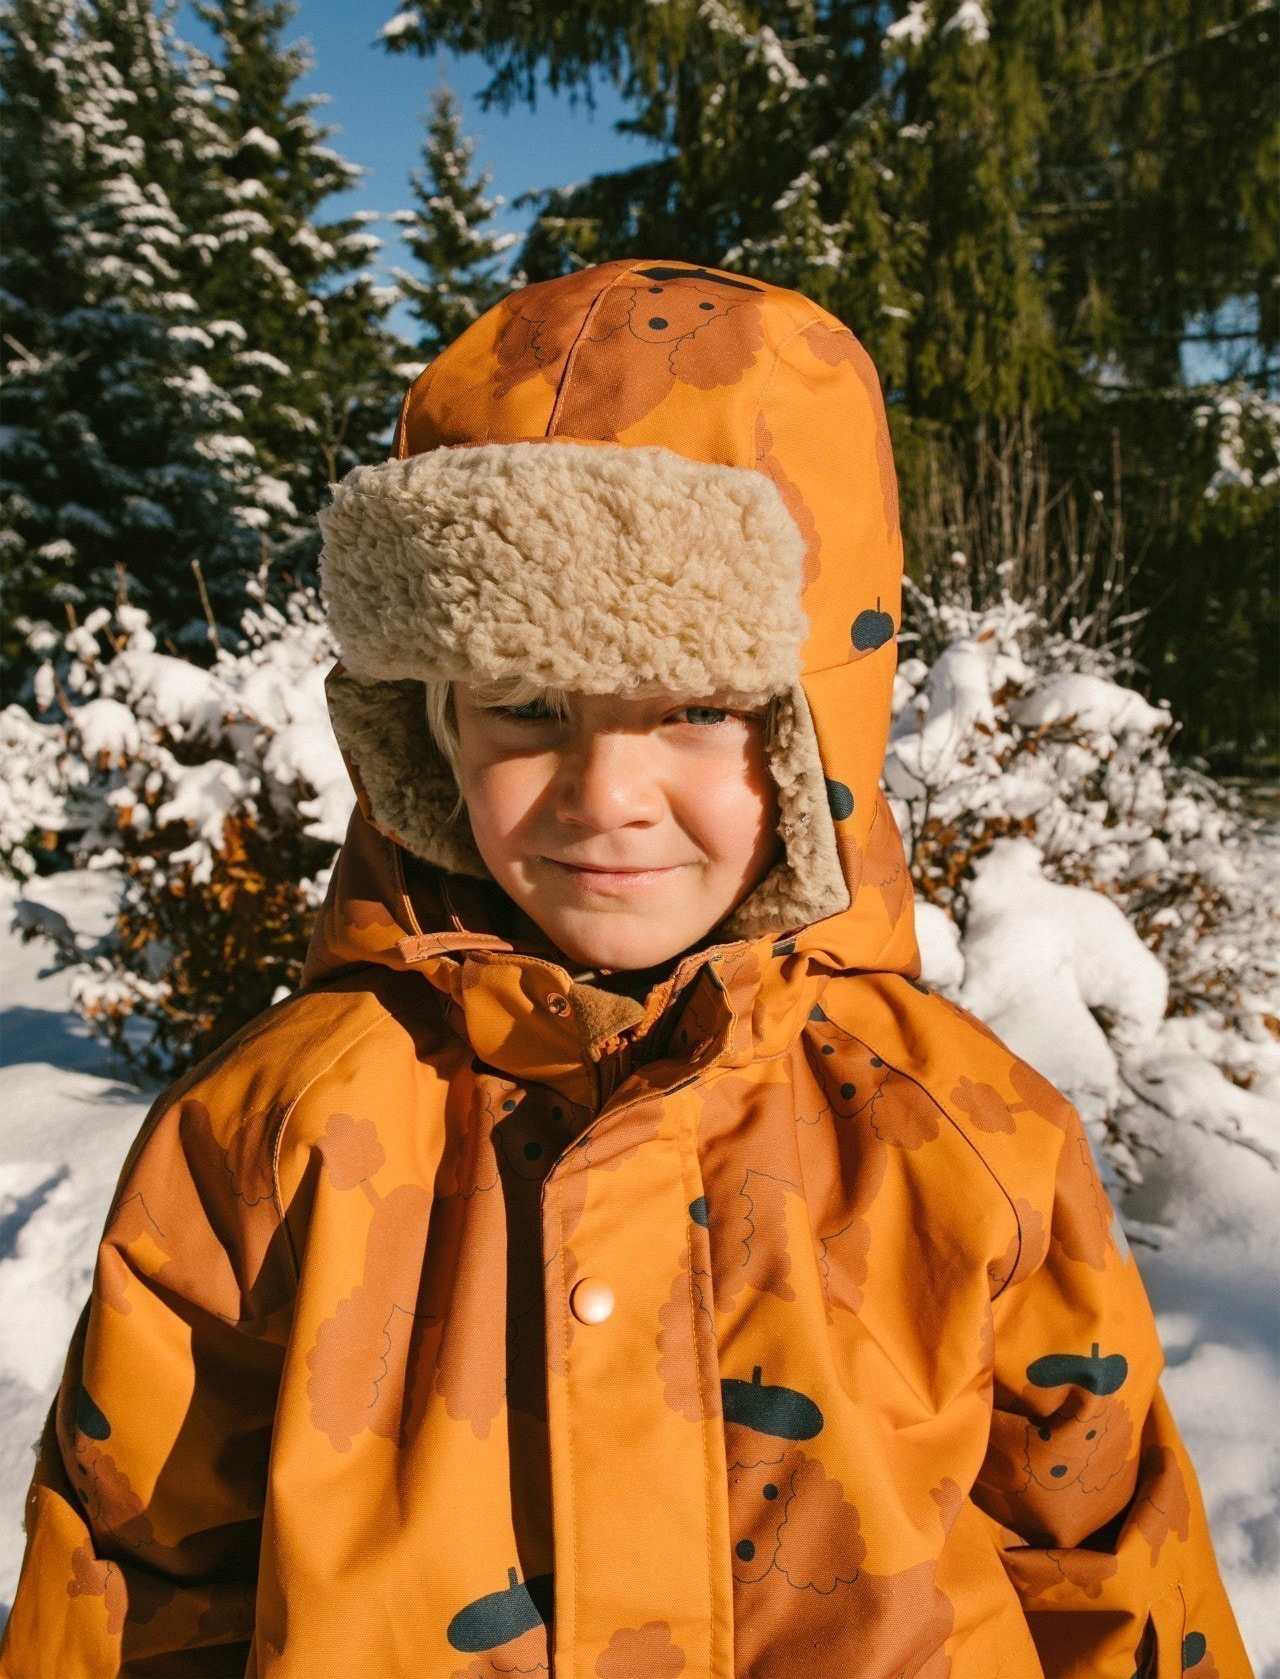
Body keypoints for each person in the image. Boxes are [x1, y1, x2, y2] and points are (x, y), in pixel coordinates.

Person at [0, 259, 1251, 1679]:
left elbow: (1109, 1571)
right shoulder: (271, 1138)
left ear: (814, 728)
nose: (606, 797)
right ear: (429, 729)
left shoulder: (967, 1140)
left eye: (700, 707)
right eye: (527, 704)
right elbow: (131, 1584)